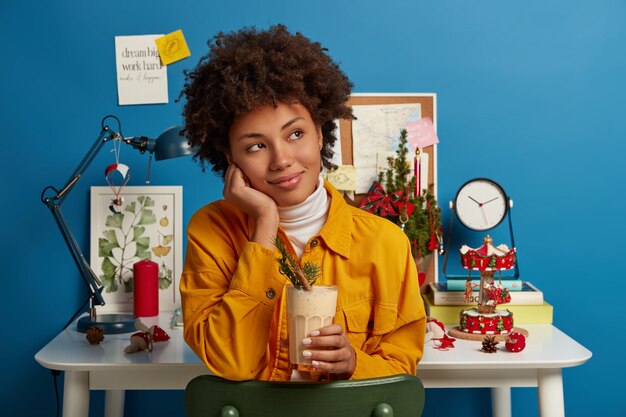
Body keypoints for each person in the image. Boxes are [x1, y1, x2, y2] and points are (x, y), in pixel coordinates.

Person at [179, 24, 426, 382]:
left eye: (295, 134)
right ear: (228, 155)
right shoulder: (211, 230)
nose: (281, 160)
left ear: (321, 133)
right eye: (255, 146)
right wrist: (264, 222)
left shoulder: (385, 243)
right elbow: (229, 360)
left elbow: (401, 370)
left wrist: (355, 364)